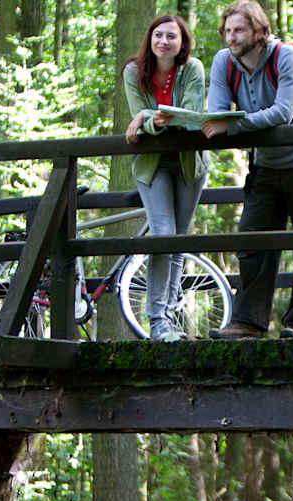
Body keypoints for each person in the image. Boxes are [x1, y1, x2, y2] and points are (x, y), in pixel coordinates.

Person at [201, 1, 293, 339]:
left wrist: (233, 126)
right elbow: (215, 114)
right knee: (253, 241)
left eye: (239, 30)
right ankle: (249, 322)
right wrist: (227, 125)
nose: (231, 37)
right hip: (265, 166)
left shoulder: (285, 55)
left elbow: (282, 113)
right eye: (227, 30)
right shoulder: (223, 62)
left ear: (258, 30)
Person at [122, 15, 210, 342]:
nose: (163, 42)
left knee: (179, 242)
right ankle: (157, 319)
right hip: (152, 165)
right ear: (150, 39)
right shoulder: (134, 72)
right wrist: (148, 118)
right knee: (163, 235)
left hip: (189, 164)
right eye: (158, 35)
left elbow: (189, 118)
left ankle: (170, 316)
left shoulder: (193, 70)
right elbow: (139, 113)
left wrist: (146, 117)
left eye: (171, 36)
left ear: (182, 42)